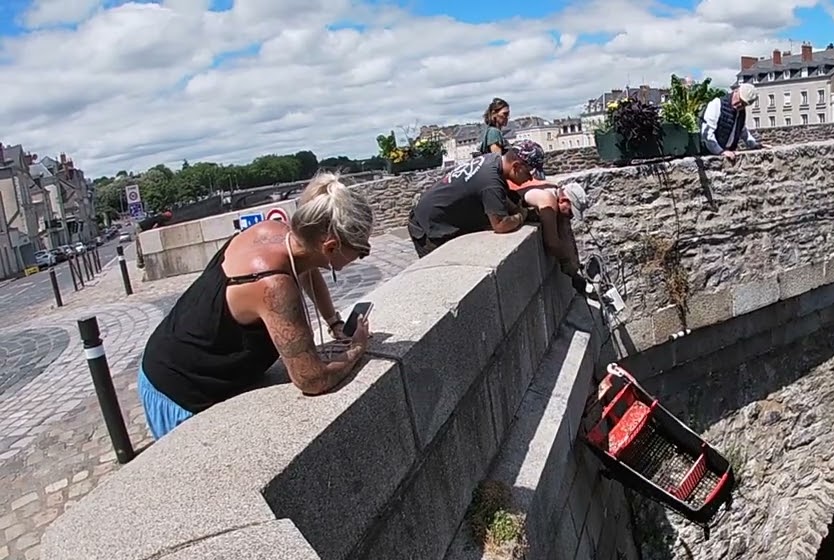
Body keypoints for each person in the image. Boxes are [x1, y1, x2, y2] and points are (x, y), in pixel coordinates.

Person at [137, 172, 375, 440]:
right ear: (331, 247)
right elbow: (311, 379)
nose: (361, 256)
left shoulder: (278, 233)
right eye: (361, 250)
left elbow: (308, 270)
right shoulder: (272, 284)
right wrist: (356, 348)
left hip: (163, 357)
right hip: (180, 390)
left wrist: (334, 323)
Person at [406, 148, 536, 257]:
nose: (530, 179)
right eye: (528, 174)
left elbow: (500, 197)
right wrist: (520, 217)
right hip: (428, 227)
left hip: (428, 212)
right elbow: (500, 225)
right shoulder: (491, 182)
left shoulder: (492, 160)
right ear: (516, 166)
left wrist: (515, 208)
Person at [504, 140, 586, 276]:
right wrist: (567, 263)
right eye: (571, 211)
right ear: (564, 199)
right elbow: (552, 242)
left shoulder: (552, 187)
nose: (570, 216)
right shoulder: (548, 199)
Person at [700, 83, 766, 161]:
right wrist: (720, 151)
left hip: (728, 154)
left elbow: (742, 130)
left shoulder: (741, 111)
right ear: (736, 90)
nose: (740, 105)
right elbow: (707, 135)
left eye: (744, 104)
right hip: (709, 157)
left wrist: (754, 145)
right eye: (739, 100)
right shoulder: (716, 104)